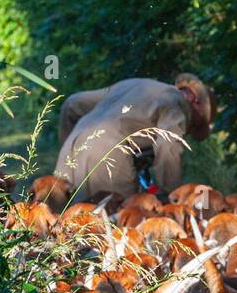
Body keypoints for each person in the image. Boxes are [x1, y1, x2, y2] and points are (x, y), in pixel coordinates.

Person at [53, 73, 215, 200]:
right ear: (195, 101)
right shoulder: (177, 102)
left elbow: (72, 104)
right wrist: (169, 194)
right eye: (196, 124)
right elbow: (169, 146)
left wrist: (71, 147)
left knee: (68, 230)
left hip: (71, 155)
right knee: (115, 229)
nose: (189, 129)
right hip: (108, 161)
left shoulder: (134, 85)